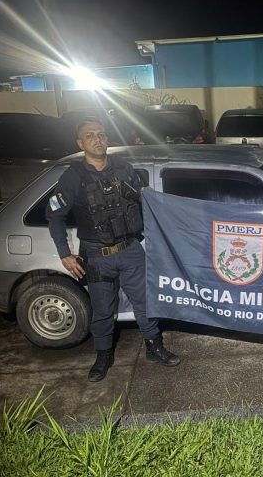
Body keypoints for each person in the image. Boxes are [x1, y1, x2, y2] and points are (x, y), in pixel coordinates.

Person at [47, 116, 180, 382]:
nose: (97, 139)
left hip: (131, 250)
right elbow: (54, 215)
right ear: (80, 143)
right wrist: (64, 253)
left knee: (145, 303)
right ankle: (103, 355)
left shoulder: (124, 168)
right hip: (97, 257)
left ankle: (154, 347)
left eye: (101, 134)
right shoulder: (73, 177)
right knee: (103, 310)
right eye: (90, 135)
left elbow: (143, 198)